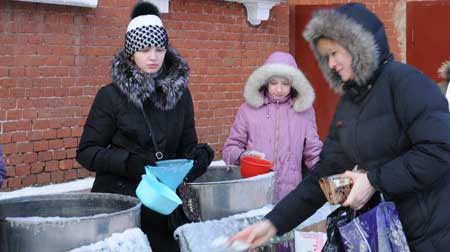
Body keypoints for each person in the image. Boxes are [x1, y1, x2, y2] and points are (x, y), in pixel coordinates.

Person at [230, 3, 450, 251]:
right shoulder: (351, 103)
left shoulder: (406, 83)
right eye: (327, 56)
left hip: (430, 235)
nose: (331, 64)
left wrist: (374, 181)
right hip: (383, 235)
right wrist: (272, 224)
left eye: (335, 53)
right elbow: (323, 175)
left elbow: (440, 150)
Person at [76, 2, 214, 252]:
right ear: (131, 53)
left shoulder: (180, 96)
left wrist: (197, 159)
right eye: (144, 49)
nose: (153, 57)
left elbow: (186, 148)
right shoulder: (110, 96)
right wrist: (128, 162)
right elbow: (86, 151)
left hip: (164, 210)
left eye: (160, 49)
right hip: (122, 210)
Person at [223, 51, 322, 203]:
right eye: (274, 83)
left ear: (293, 84)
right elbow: (230, 149)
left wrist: (331, 172)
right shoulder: (248, 109)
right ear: (265, 82)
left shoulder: (304, 111)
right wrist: (243, 156)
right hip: (254, 194)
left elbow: (313, 152)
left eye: (285, 83)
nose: (279, 89)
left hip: (291, 196)